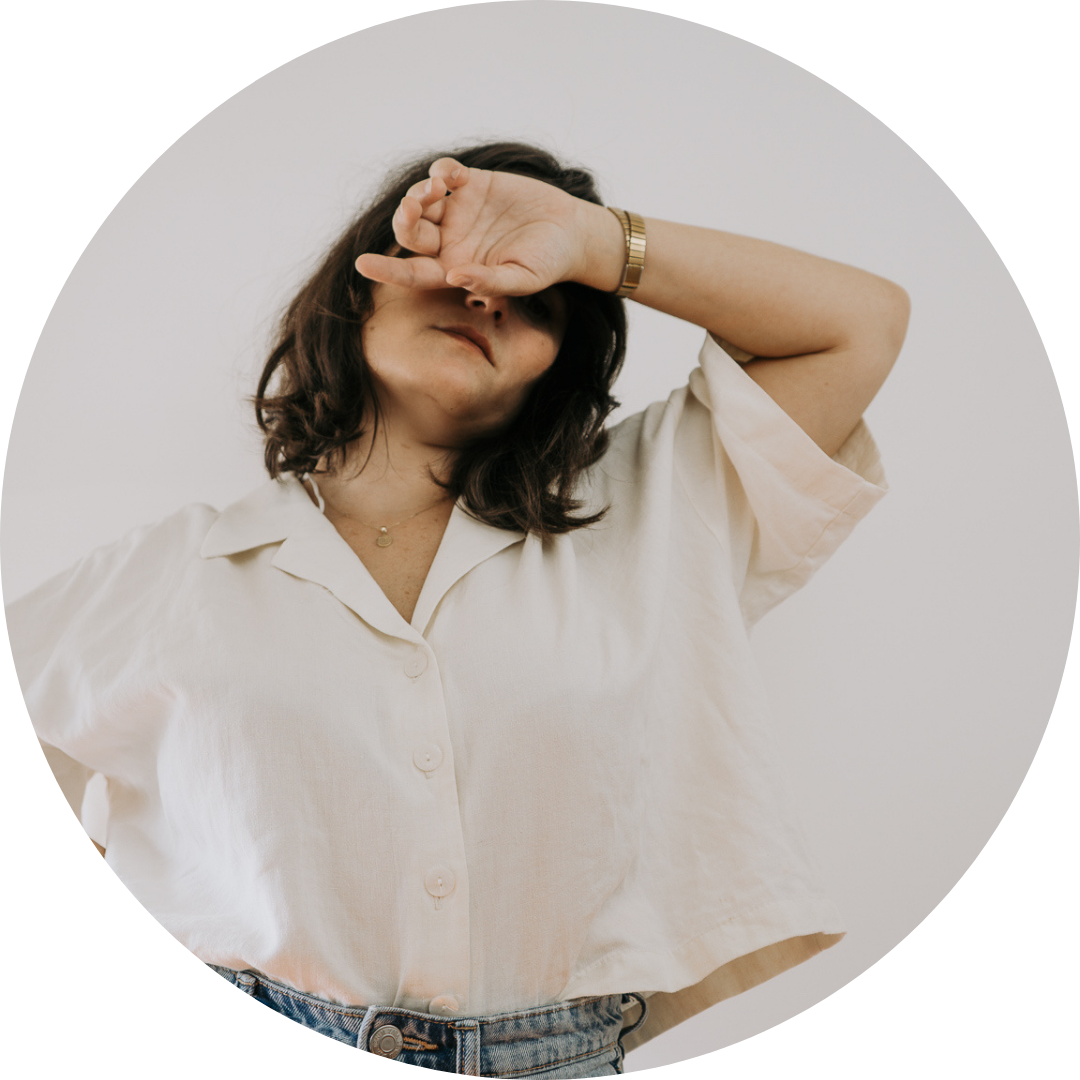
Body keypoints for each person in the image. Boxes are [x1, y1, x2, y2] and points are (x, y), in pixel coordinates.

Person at [8, 140, 907, 1074]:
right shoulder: (171, 571)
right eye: (449, 262)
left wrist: (591, 241)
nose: (486, 295)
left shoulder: (660, 500)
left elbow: (859, 325)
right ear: (360, 288)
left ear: (556, 366)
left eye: (537, 297)